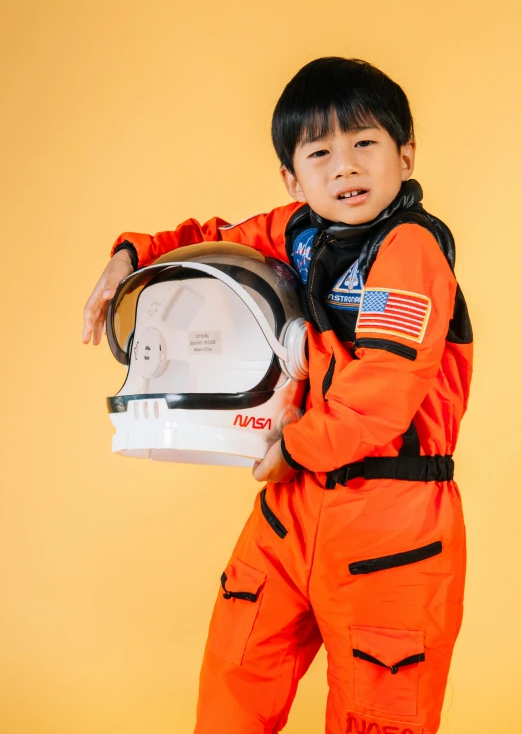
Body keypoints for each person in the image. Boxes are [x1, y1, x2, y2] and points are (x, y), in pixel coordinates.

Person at [83, 57, 472, 734]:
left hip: (391, 521)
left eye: (364, 144)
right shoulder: (297, 233)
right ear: (292, 178)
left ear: (405, 155)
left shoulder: (409, 251)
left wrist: (293, 446)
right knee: (236, 680)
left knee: (376, 715)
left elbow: (383, 390)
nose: (344, 167)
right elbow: (213, 247)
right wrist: (130, 255)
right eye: (320, 152)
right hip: (292, 511)